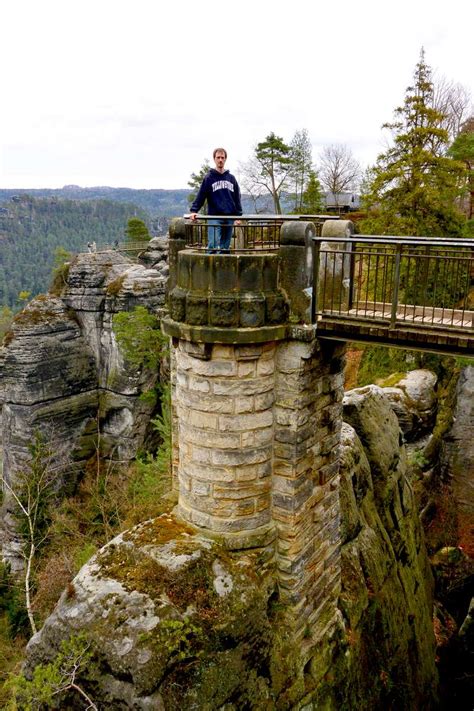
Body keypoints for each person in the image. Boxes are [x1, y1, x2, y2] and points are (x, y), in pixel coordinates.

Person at [189, 148, 242, 253]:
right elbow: (201, 195)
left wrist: (238, 215)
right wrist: (194, 210)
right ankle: (209, 269)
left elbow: (237, 197)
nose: (220, 160)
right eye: (218, 157)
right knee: (212, 245)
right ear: (214, 159)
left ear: (225, 159)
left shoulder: (231, 178)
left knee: (225, 247)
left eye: (222, 157)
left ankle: (223, 269)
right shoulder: (209, 178)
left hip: (229, 216)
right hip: (214, 216)